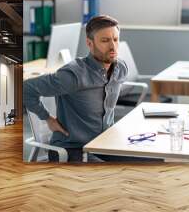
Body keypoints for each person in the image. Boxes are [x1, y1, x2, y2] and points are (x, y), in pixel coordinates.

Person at [23, 15, 128, 162]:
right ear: (89, 43)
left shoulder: (120, 68)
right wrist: (46, 117)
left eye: (115, 39)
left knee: (151, 159)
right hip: (73, 149)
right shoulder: (73, 76)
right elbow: (27, 88)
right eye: (105, 41)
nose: (112, 46)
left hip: (104, 144)